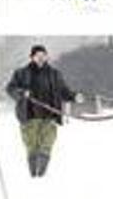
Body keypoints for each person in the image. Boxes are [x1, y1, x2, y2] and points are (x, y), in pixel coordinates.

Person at [6, 45, 82, 177]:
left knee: (47, 145)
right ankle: (33, 174)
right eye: (38, 56)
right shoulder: (21, 73)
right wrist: (22, 93)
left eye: (43, 56)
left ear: (47, 57)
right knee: (32, 147)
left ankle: (41, 175)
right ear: (32, 57)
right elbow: (10, 89)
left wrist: (74, 96)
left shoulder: (55, 74)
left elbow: (64, 91)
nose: (41, 58)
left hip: (50, 116)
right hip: (29, 117)